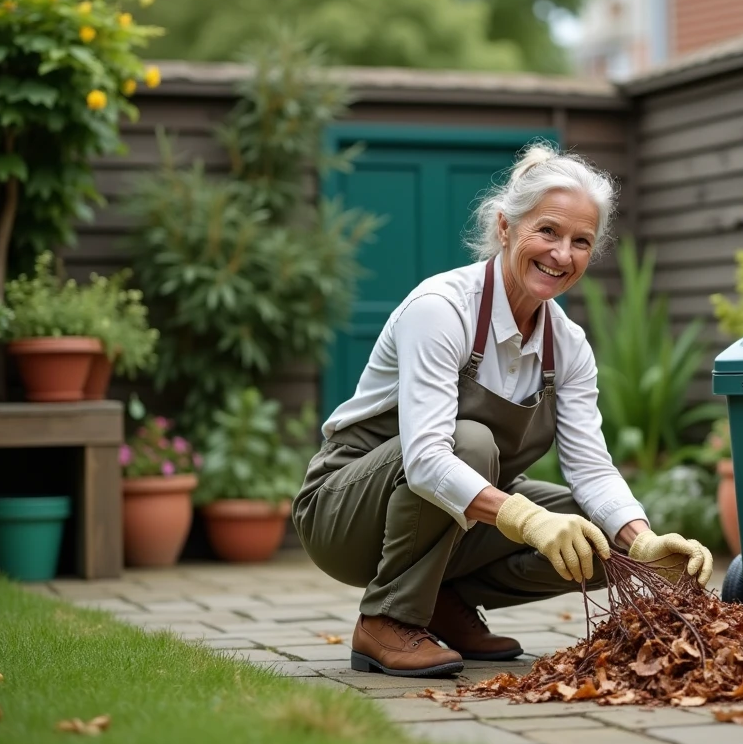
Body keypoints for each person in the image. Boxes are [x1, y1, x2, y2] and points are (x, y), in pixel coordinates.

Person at [291, 141, 714, 679]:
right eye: (548, 232)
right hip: (343, 514)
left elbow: (590, 467)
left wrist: (644, 541)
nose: (562, 254)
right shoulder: (441, 310)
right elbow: (425, 460)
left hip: (442, 523)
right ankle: (386, 620)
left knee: (600, 533)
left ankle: (439, 602)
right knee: (469, 444)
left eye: (580, 241)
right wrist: (528, 518)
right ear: (505, 227)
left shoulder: (569, 346)